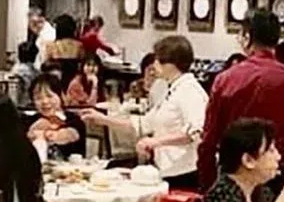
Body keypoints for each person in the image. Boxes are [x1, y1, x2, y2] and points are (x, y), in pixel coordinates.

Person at [197, 8, 284, 193]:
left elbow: (208, 141)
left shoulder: (225, 80)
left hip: (233, 180)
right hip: (275, 179)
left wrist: (207, 186)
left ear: (247, 37)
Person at [83, 36, 207, 189]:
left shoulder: (189, 90)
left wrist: (156, 142)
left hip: (186, 172)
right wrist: (102, 119)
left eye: (158, 60)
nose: (154, 65)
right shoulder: (171, 89)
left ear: (171, 64)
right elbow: (144, 123)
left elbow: (196, 132)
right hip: (168, 170)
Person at [26, 72, 86, 160]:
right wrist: (32, 131)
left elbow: (72, 134)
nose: (45, 102)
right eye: (38, 98)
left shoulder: (74, 120)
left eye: (49, 96)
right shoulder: (29, 121)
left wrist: (54, 135)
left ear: (61, 96)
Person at [41, 14, 84, 89]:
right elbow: (82, 63)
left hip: (56, 80)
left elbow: (45, 64)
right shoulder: (79, 46)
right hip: (74, 81)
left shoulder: (51, 46)